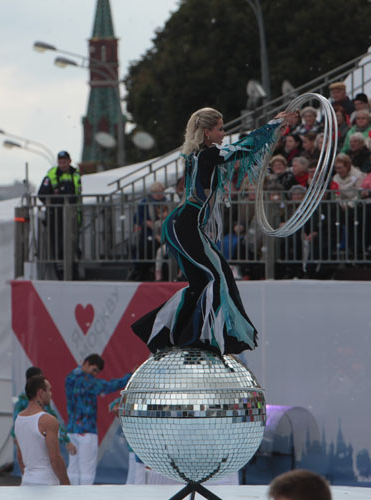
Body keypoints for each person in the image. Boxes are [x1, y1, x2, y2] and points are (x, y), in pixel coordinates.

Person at [131, 106, 291, 354]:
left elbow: (241, 149)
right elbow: (245, 148)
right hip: (185, 226)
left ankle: (172, 334)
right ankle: (201, 336)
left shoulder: (198, 155)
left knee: (202, 282)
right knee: (218, 277)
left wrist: (275, 129)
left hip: (184, 225)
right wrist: (272, 125)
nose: (224, 133)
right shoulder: (207, 155)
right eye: (220, 129)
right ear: (207, 132)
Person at [65, 354, 131, 485]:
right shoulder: (87, 381)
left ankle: (71, 494)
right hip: (86, 430)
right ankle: (86, 495)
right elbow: (109, 386)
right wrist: (130, 377)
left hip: (72, 430)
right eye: (94, 370)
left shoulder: (70, 377)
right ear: (86, 363)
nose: (94, 374)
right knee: (87, 470)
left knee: (73, 468)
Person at [12, 366, 75, 478]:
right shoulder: (25, 402)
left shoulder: (28, 405)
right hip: (42, 474)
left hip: (30, 474)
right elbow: (55, 457)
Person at [37, 150, 82, 277]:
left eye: (65, 162)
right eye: (60, 162)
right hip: (56, 218)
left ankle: (73, 272)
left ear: (69, 161)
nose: (63, 164)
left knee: (73, 246)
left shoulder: (75, 175)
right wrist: (54, 205)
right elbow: (42, 195)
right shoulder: (51, 176)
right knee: (58, 247)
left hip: (72, 217)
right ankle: (61, 274)